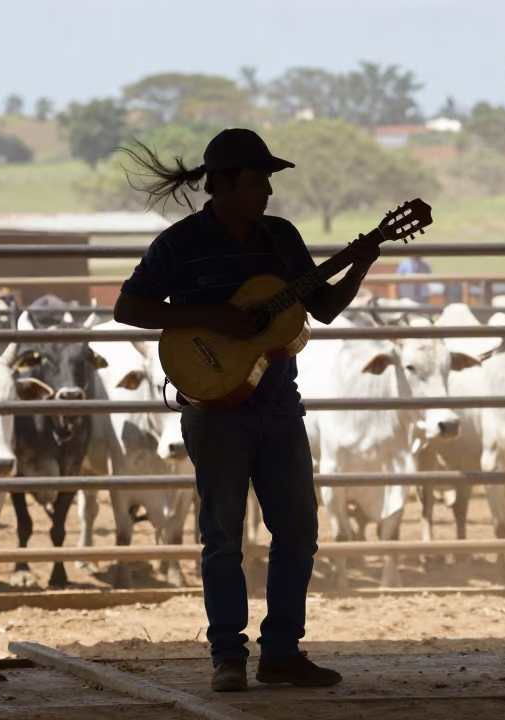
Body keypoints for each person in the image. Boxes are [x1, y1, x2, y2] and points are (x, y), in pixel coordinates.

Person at [113, 128, 380, 693]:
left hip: (279, 404)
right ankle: (227, 657)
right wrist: (210, 317)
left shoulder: (280, 239)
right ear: (226, 184)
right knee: (222, 536)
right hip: (215, 408)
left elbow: (324, 308)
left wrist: (358, 264)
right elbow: (128, 306)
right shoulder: (180, 244)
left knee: (299, 531)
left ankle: (281, 652)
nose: (267, 193)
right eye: (258, 181)